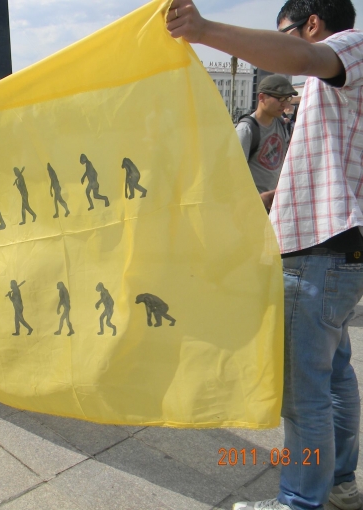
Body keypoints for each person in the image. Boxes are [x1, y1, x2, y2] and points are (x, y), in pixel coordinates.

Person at [167, 1, 362, 509]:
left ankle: (299, 501)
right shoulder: (333, 84)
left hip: (317, 251)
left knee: (304, 395)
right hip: (337, 250)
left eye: (286, 33)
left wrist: (204, 29)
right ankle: (339, 484)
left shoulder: (349, 47)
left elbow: (303, 57)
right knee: (334, 377)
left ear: (313, 24)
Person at [236, 75, 296, 211]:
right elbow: (234, 172)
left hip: (276, 204)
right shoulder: (246, 130)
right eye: (279, 98)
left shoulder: (281, 124)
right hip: (253, 207)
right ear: (262, 97)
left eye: (287, 99)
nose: (284, 104)